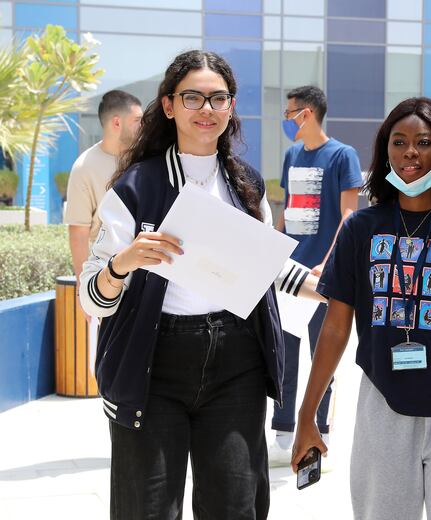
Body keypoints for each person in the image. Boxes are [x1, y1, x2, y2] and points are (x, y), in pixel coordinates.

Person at [79, 50, 288, 519]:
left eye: (218, 98)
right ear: (169, 105)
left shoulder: (247, 185)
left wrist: (335, 286)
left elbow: (266, 269)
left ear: (231, 108)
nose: (206, 109)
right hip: (153, 366)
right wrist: (124, 262)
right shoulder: (134, 187)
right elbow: (92, 296)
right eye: (193, 97)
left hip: (237, 364)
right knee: (147, 508)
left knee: (235, 507)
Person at [291, 97, 431, 520]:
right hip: (383, 407)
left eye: (424, 141)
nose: (410, 152)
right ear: (385, 150)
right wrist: (307, 416)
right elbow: (335, 329)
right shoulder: (361, 227)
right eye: (399, 141)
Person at [270, 85, 363, 465]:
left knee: (323, 351)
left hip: (325, 277)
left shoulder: (343, 155)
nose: (287, 119)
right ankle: (282, 426)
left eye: (289, 112)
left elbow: (348, 216)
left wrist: (330, 261)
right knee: (285, 351)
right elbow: (288, 207)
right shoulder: (292, 154)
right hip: (288, 272)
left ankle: (320, 428)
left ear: (306, 113)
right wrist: (271, 244)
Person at [65, 90, 142, 317]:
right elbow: (78, 231)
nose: (144, 126)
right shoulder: (84, 167)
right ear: (117, 122)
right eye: (137, 120)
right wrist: (84, 289)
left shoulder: (145, 159)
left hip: (150, 272)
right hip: (109, 279)